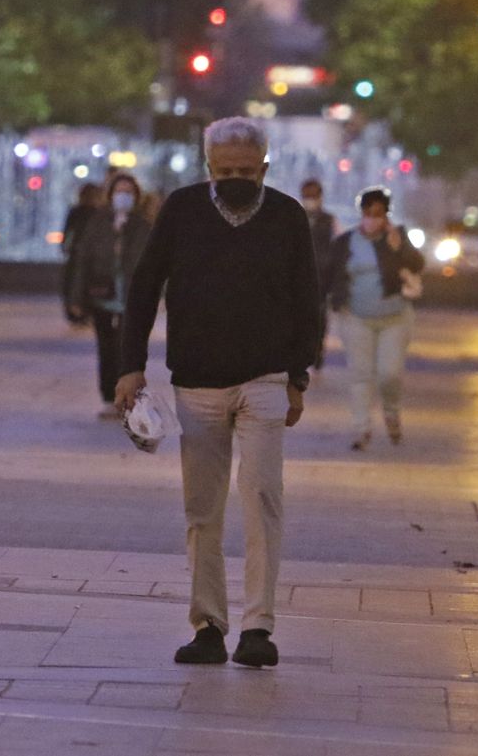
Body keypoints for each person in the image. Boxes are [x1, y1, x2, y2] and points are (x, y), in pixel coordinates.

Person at [115, 117, 321, 670]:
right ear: (208, 168)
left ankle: (258, 627)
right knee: (202, 508)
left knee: (261, 497)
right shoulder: (182, 211)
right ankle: (208, 625)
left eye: (246, 172)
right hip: (197, 382)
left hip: (267, 379)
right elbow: (143, 288)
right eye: (225, 170)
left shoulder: (285, 216)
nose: (235, 179)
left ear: (265, 168)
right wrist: (129, 368)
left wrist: (298, 377)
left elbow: (308, 299)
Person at [328, 186, 425, 451]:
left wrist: (399, 246)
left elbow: (418, 264)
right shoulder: (345, 242)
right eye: (368, 213)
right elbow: (330, 273)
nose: (372, 218)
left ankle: (392, 413)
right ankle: (362, 429)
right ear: (361, 214)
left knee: (389, 374)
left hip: (395, 317)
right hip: (356, 317)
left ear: (386, 215)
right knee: (360, 374)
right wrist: (335, 303)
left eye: (378, 214)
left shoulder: (397, 237)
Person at [69, 172, 153, 418]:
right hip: (102, 294)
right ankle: (108, 396)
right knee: (106, 348)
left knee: (128, 349)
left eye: (128, 192)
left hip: (131, 297)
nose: (123, 196)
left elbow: (151, 262)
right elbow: (83, 259)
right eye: (119, 192)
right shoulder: (99, 221)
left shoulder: (142, 225)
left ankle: (128, 398)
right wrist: (77, 298)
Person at [300, 179, 338, 370]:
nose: (310, 200)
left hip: (322, 276)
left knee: (320, 315)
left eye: (313, 196)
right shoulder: (295, 217)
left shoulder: (328, 220)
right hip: (299, 276)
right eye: (307, 196)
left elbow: (335, 246)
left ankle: (318, 350)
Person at [60, 184, 103, 325]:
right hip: (90, 255)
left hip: (76, 252)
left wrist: (65, 246)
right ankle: (84, 312)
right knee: (85, 282)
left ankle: (74, 312)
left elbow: (68, 232)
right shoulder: (97, 212)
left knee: (73, 282)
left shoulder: (76, 211)